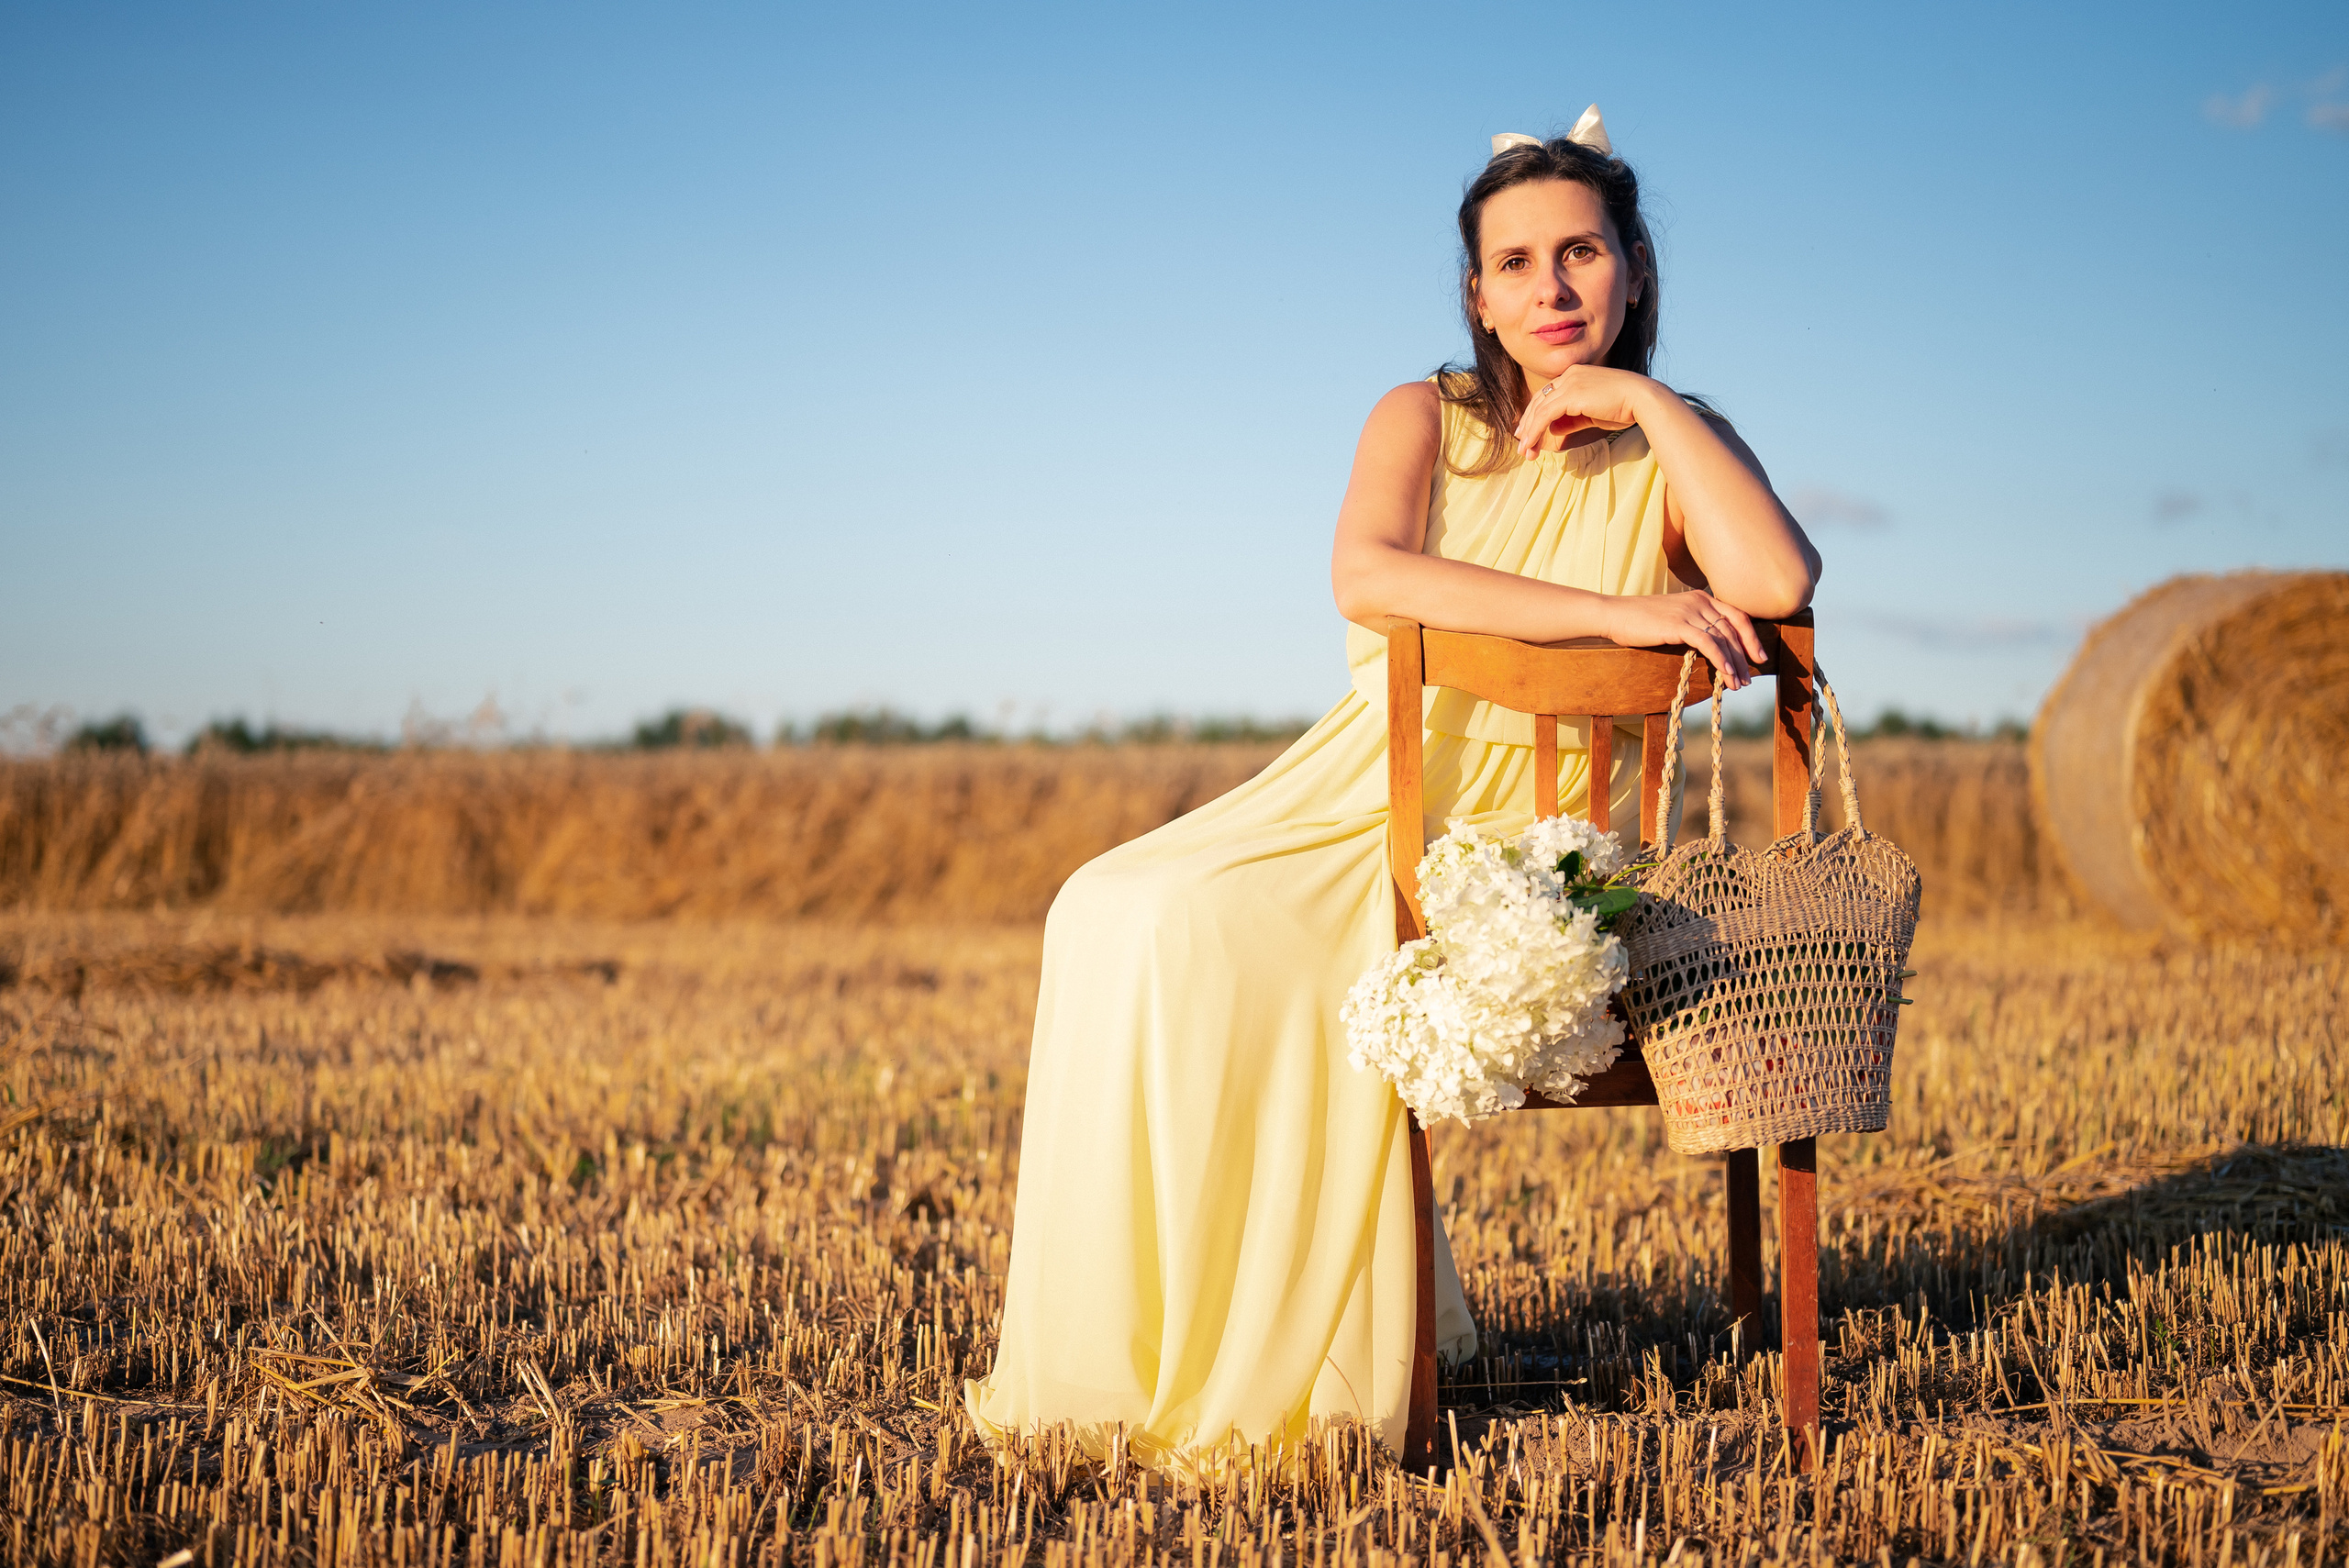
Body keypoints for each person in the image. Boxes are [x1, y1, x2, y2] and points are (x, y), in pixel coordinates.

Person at [964, 106, 1821, 1468]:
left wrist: (1654, 405)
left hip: (1528, 840)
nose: (1552, 286)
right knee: (1109, 905)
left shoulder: (1676, 443)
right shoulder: (1420, 414)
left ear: (1635, 268)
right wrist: (1619, 617)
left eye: (1583, 252)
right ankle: (1137, 1349)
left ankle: (1299, 1358)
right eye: (1519, 261)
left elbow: (1779, 585)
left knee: (1216, 932)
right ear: (1476, 292)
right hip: (1363, 785)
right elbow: (1366, 574)